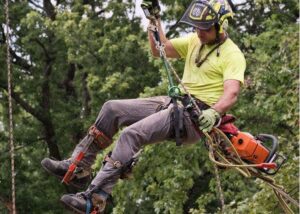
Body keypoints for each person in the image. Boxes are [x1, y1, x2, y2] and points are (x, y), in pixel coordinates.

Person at [41, 0, 246, 213]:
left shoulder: (233, 55)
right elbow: (160, 50)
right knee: (112, 109)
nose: (199, 32)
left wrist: (214, 112)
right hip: (175, 104)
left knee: (131, 135)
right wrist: (154, 20)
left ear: (220, 26)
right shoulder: (196, 41)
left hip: (194, 117)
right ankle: (78, 166)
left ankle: (94, 199)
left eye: (205, 28)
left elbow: (231, 92)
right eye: (196, 26)